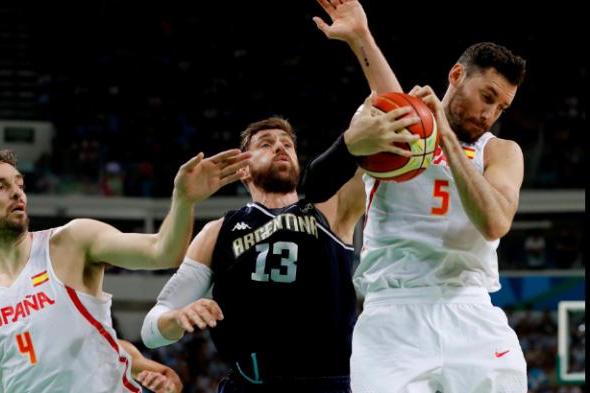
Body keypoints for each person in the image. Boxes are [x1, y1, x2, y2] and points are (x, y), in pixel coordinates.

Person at [309, 0, 528, 391]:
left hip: (472, 311)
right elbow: (389, 102)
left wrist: (444, 135)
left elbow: (495, 223)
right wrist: (361, 37)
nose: (489, 113)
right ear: (457, 75)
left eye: (501, 106)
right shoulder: (397, 137)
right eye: (487, 96)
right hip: (394, 315)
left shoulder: (501, 152)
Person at [140, 110, 420, 393]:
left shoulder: (331, 209)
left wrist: (383, 117)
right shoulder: (218, 231)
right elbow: (151, 331)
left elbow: (378, 142)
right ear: (243, 169)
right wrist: (177, 318)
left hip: (327, 384)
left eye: (287, 144)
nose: (279, 147)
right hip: (250, 386)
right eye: (265, 143)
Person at [0, 147, 250, 392]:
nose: (16, 192)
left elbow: (162, 251)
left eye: (19, 184)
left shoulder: (71, 241)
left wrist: (183, 201)